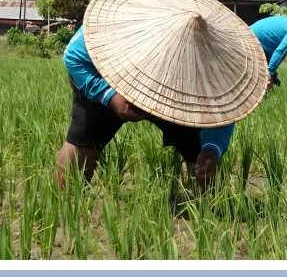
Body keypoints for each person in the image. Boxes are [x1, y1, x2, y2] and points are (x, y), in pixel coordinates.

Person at [55, 27, 233, 191]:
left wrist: (212, 148)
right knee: (84, 139)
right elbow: (74, 56)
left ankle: (210, 205)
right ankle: (66, 204)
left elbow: (222, 110)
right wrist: (109, 96)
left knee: (198, 148)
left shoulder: (210, 54)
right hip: (112, 77)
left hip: (179, 91)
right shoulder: (114, 23)